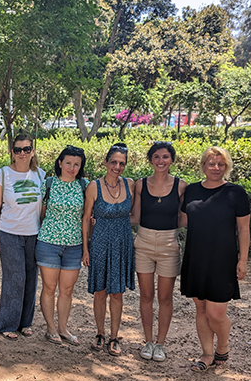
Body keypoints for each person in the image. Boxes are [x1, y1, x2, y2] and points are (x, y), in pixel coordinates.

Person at [181, 147, 250, 371]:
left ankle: (223, 346)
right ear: (203, 166)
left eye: (221, 164)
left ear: (226, 167)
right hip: (196, 257)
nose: (216, 168)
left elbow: (244, 228)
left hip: (223, 259)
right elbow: (182, 220)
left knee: (216, 312)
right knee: (200, 309)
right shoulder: (191, 191)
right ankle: (207, 354)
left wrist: (243, 260)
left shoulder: (235, 193)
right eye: (211, 163)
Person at [130, 142, 187, 362]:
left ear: (171, 160)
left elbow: (184, 218)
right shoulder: (141, 185)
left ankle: (161, 343)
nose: (161, 161)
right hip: (143, 242)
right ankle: (148, 341)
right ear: (150, 160)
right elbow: (135, 217)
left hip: (169, 244)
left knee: (165, 297)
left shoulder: (182, 186)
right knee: (146, 295)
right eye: (156, 157)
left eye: (165, 157)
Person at [0, 134, 46, 339]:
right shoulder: (3, 174)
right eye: (18, 149)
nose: (22, 153)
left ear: (32, 151)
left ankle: (25, 322)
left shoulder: (41, 175)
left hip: (34, 234)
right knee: (15, 279)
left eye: (26, 149)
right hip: (9, 233)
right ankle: (6, 324)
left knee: (31, 279)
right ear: (12, 152)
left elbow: (43, 208)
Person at [82, 143, 135, 356]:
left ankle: (114, 336)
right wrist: (85, 249)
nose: (117, 166)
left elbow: (137, 215)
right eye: (113, 162)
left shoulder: (130, 184)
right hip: (100, 242)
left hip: (122, 242)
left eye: (122, 163)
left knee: (117, 292)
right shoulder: (94, 186)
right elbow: (86, 218)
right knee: (100, 291)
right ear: (105, 162)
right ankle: (100, 333)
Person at [36, 145, 88, 346]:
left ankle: (63, 328)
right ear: (60, 163)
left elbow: (87, 216)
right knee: (49, 287)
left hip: (74, 246)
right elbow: (40, 213)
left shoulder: (84, 186)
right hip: (49, 243)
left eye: (76, 164)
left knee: (67, 290)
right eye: (68, 163)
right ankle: (50, 328)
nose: (72, 168)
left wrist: (85, 246)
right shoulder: (48, 184)